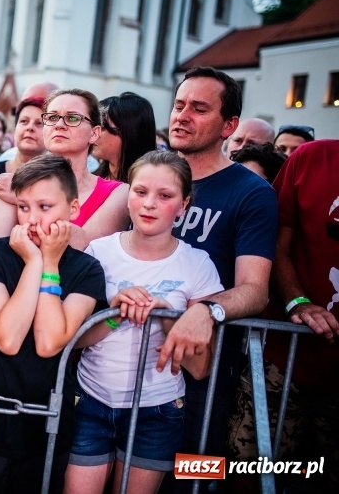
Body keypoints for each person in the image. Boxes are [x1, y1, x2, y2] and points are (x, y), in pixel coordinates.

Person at [0, 155, 106, 494]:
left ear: (73, 209)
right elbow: (8, 337)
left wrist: (50, 266)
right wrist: (33, 261)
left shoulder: (88, 270)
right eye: (23, 207)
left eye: (45, 207)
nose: (32, 219)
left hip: (46, 429)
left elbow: (49, 341)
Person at [66, 151, 222, 494]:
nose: (149, 204)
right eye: (140, 191)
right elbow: (72, 339)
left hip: (159, 409)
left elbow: (200, 368)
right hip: (91, 400)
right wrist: (113, 314)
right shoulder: (98, 252)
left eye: (165, 196)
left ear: (183, 205)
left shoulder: (198, 264)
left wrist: (168, 316)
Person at [158, 66, 277, 494]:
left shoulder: (251, 192)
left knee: (193, 473)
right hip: (127, 364)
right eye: (178, 104)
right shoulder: (150, 177)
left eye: (199, 108)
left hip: (203, 370)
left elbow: (255, 289)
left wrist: (207, 310)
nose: (182, 115)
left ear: (229, 126)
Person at [227, 139, 339, 492]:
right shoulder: (312, 158)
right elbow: (274, 239)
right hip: (282, 360)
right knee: (244, 472)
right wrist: (298, 301)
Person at [0, 89, 129, 252]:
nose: (59, 125)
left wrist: (25, 199)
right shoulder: (14, 184)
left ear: (94, 134)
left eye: (73, 118)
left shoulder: (118, 193)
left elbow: (87, 245)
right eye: (52, 117)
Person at [0, 97, 46, 239]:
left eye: (39, 123)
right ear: (15, 130)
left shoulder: (55, 182)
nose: (30, 127)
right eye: (24, 121)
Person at [92, 92, 157, 183]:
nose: (93, 133)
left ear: (128, 131)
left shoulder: (146, 186)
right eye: (94, 127)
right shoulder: (90, 180)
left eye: (102, 128)